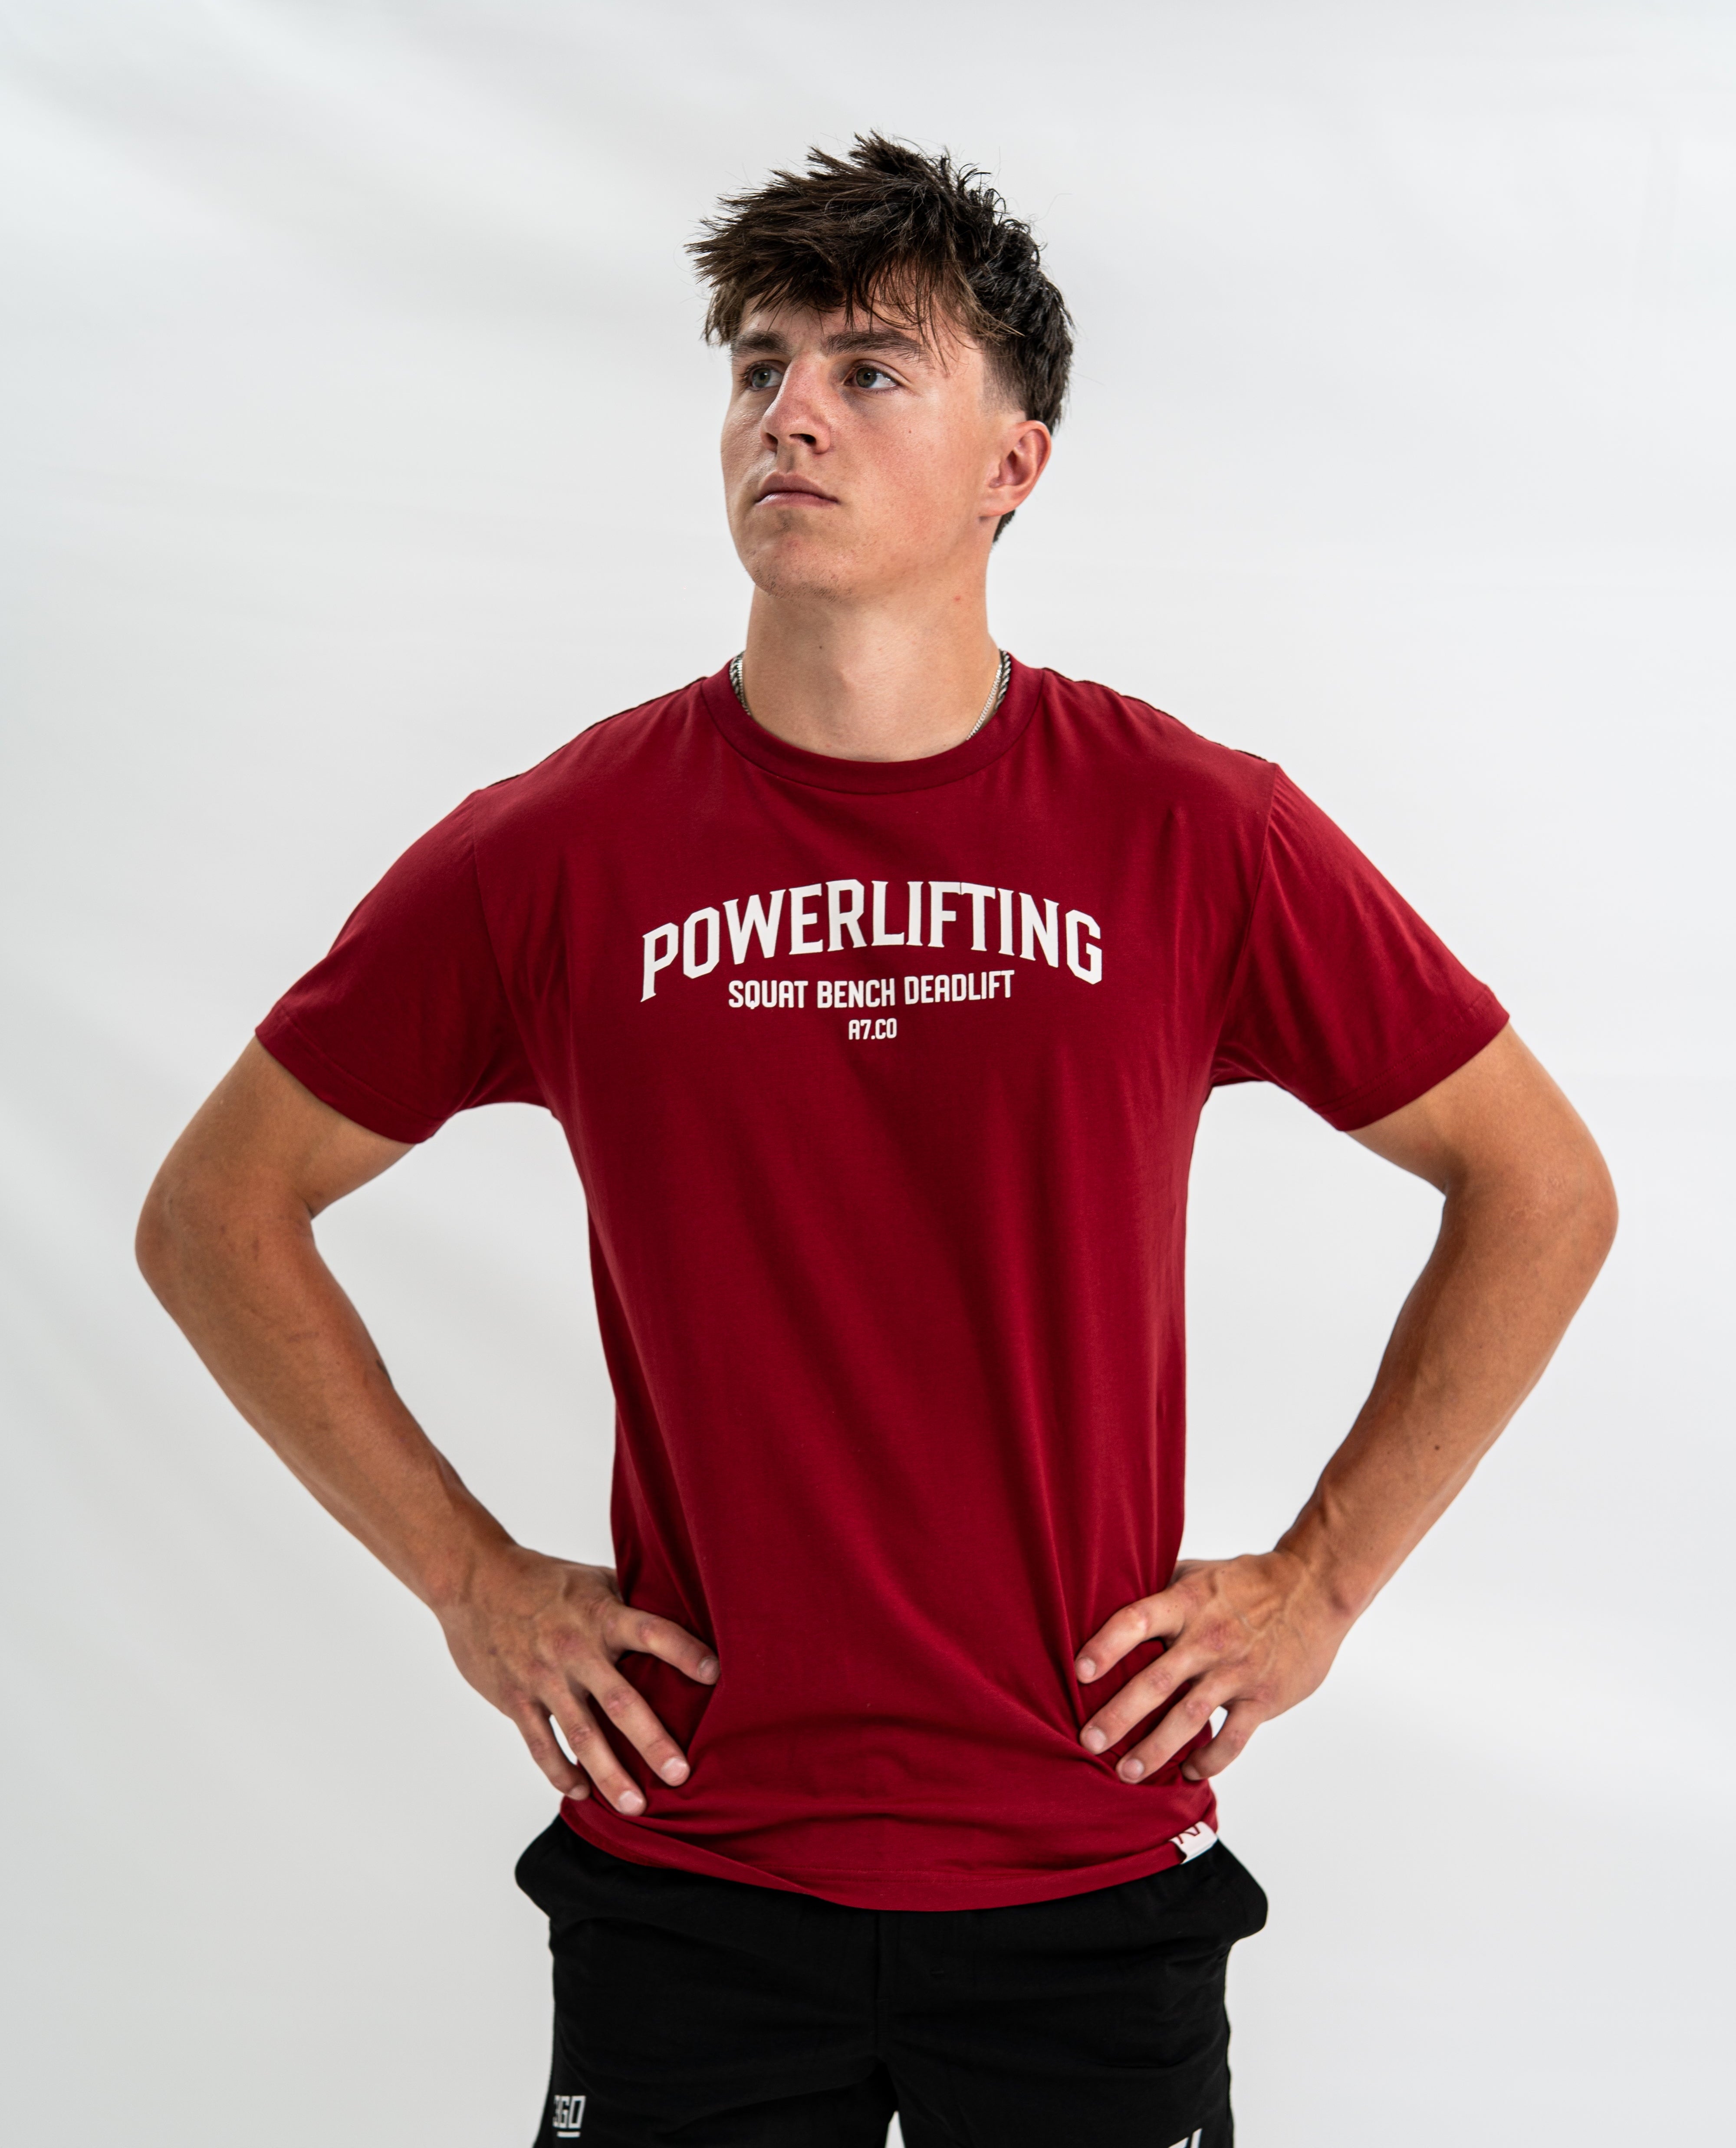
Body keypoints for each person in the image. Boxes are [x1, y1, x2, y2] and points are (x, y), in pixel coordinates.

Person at [137, 135, 1617, 2147]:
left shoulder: (1194, 830)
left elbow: (1539, 1180)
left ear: (1016, 463)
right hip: (691, 1868)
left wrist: (1323, 1579)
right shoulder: (559, 850)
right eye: (757, 366)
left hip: (1088, 1855)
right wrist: (469, 1577)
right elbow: (218, 1209)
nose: (790, 413)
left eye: (868, 368)